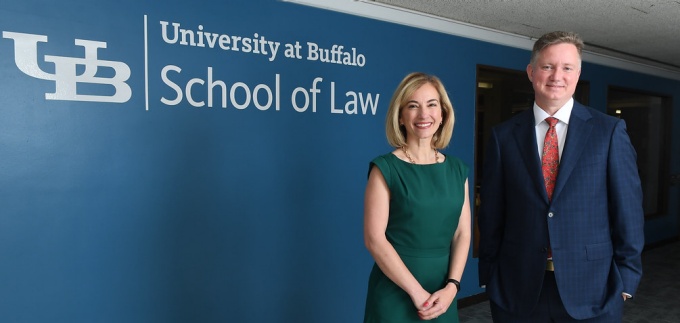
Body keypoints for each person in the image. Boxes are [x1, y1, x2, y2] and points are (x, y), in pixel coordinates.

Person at [478, 31, 645, 322]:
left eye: (567, 67)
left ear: (578, 74)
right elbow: (492, 213)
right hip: (517, 288)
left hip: (594, 289)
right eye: (547, 66)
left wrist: (627, 280)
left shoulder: (608, 132)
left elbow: (628, 212)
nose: (557, 75)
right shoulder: (503, 136)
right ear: (531, 72)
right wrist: (488, 275)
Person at [363, 72, 471, 322]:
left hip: (443, 293)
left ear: (442, 114)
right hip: (395, 292)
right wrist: (417, 292)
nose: (424, 114)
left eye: (432, 105)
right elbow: (374, 240)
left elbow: (462, 233)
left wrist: (453, 286)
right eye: (413, 106)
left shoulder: (457, 170)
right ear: (400, 116)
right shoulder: (385, 168)